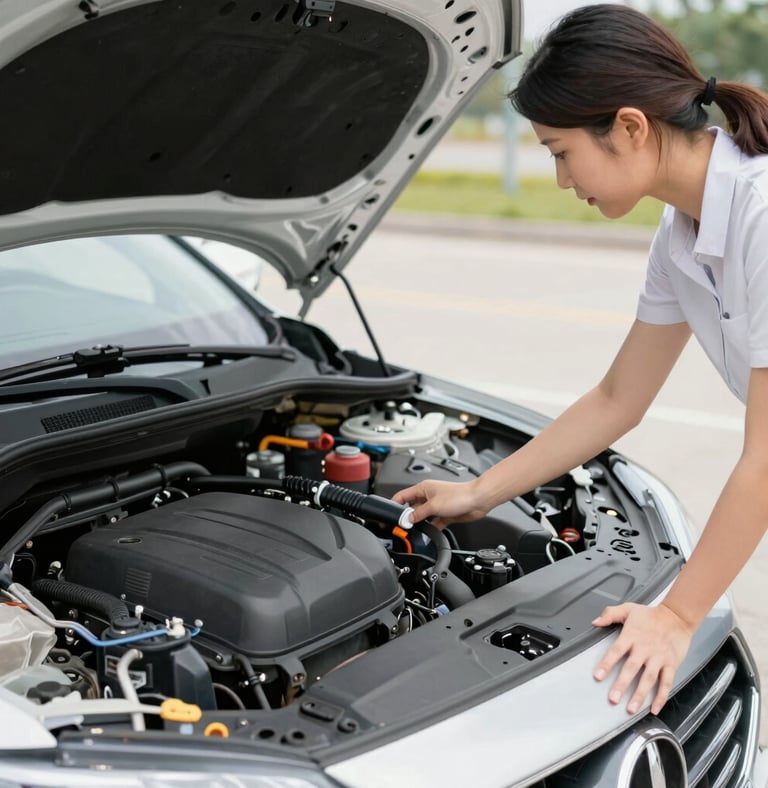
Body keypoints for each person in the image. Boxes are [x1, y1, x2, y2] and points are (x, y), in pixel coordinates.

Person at [393, 3, 768, 718]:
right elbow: (618, 397)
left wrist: (679, 617)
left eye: (561, 151)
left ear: (629, 127)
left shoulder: (761, 213)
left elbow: (765, 458)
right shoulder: (681, 235)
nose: (563, 178)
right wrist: (480, 493)